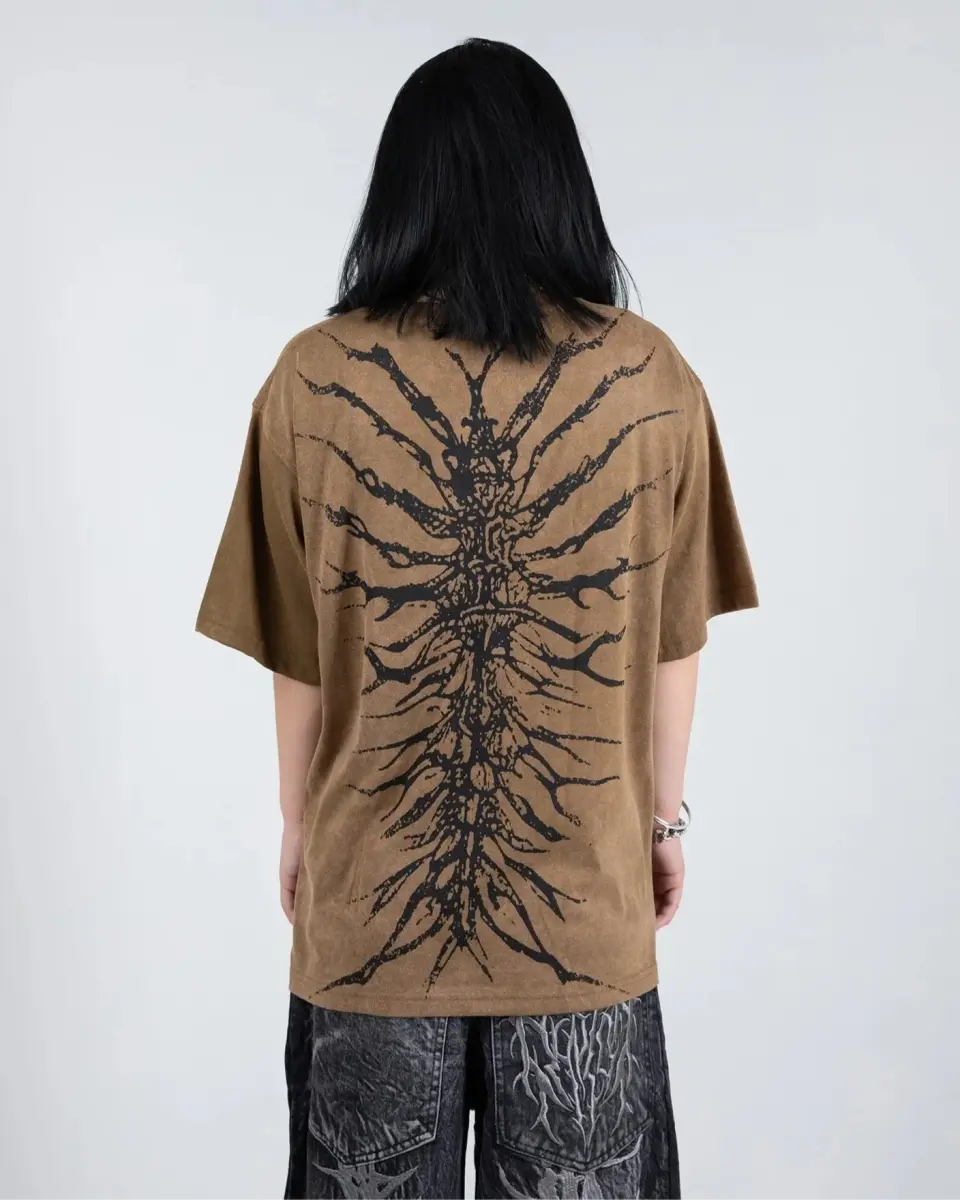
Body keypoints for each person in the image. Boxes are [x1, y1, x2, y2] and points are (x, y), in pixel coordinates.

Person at [196, 37, 757, 1200]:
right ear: (559, 184)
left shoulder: (311, 380)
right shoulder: (653, 380)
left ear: (402, 188)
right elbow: (672, 639)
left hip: (369, 926)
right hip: (584, 931)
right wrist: (662, 822)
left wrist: (300, 824)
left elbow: (300, 653)